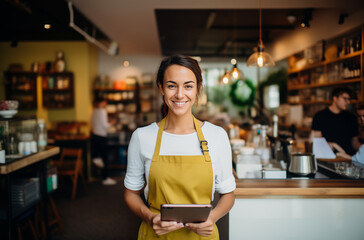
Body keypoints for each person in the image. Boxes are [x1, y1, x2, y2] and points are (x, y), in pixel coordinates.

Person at [124, 55, 236, 239]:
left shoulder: (217, 136)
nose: (179, 94)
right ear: (161, 87)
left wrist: (213, 218)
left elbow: (228, 194)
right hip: (156, 235)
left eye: (188, 86)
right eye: (171, 85)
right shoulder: (142, 137)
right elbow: (131, 193)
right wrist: (151, 218)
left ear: (198, 88)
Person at [311, 87, 359, 155]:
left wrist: (362, 150)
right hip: (327, 157)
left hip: (348, 158)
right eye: (345, 98)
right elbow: (316, 140)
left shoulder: (351, 117)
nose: (348, 102)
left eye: (349, 99)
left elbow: (355, 143)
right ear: (335, 98)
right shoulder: (320, 116)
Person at [91, 98, 116, 185]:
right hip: (102, 136)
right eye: (105, 102)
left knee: (98, 157)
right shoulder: (102, 111)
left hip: (94, 135)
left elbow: (92, 123)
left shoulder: (94, 111)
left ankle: (103, 176)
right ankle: (105, 178)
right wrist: (112, 123)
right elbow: (105, 126)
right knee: (105, 158)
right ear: (102, 102)